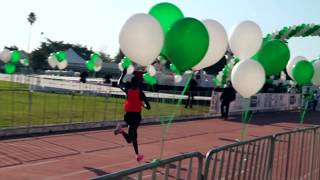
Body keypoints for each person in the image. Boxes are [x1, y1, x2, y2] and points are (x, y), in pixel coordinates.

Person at [114, 68, 151, 162]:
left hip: (128, 115)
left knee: (134, 137)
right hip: (136, 116)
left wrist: (123, 74)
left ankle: (137, 155)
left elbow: (119, 84)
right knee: (132, 138)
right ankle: (121, 131)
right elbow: (148, 107)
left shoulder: (127, 90)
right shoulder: (141, 93)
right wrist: (143, 105)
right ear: (138, 83)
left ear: (131, 83)